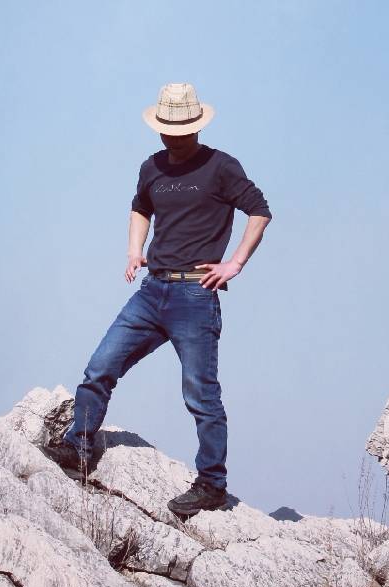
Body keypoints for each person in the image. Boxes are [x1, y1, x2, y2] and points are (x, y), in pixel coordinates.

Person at [42, 82, 272, 517]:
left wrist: (235, 264)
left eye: (180, 128)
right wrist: (134, 250)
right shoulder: (152, 167)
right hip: (153, 290)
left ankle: (212, 485)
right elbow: (140, 207)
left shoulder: (221, 167)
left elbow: (259, 210)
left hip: (195, 294)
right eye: (167, 128)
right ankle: (79, 449)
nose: (173, 135)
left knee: (200, 393)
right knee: (100, 367)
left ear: (196, 126)